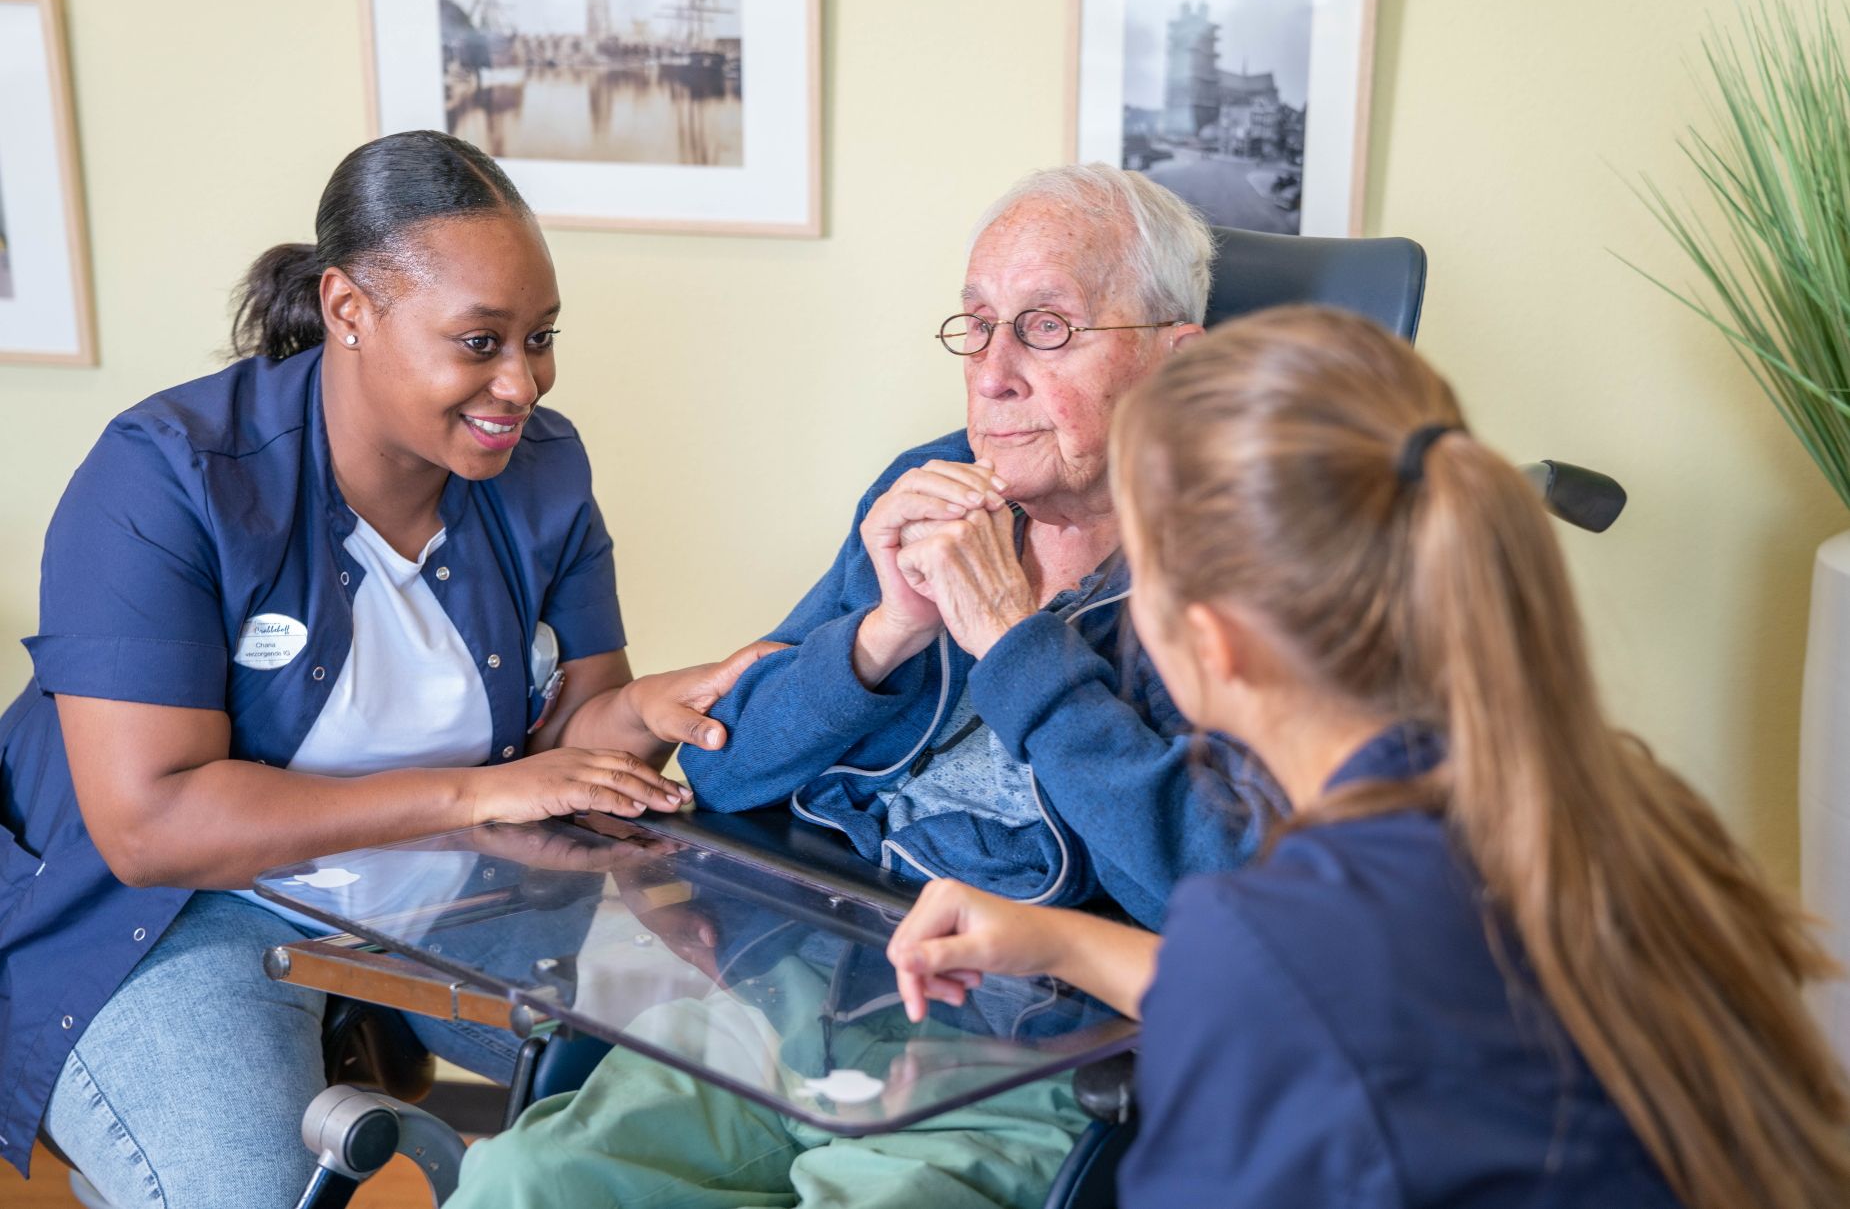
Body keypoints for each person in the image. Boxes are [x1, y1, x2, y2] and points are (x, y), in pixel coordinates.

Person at [445, 164, 1283, 1209]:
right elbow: (726, 763)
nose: (992, 374)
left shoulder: (1244, 565)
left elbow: (1222, 895)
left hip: (1031, 1050)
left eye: (1047, 328)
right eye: (977, 326)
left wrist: (1013, 643)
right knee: (523, 1177)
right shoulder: (930, 492)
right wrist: (882, 635)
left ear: (1174, 363)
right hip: (805, 994)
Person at [886, 306, 1850, 1208]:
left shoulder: (1280, 948)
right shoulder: (1615, 797)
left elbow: (1297, 990)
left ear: (1213, 643)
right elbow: (1342, 994)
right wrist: (1062, 942)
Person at [2, 130, 772, 1208]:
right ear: (349, 309)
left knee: (728, 1085)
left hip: (452, 890)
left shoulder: (542, 469)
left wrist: (639, 710)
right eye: (480, 341)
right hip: (178, 912)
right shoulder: (167, 476)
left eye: (541, 338)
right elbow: (152, 826)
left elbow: (565, 752)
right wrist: (471, 794)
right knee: (249, 1193)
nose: (521, 382)